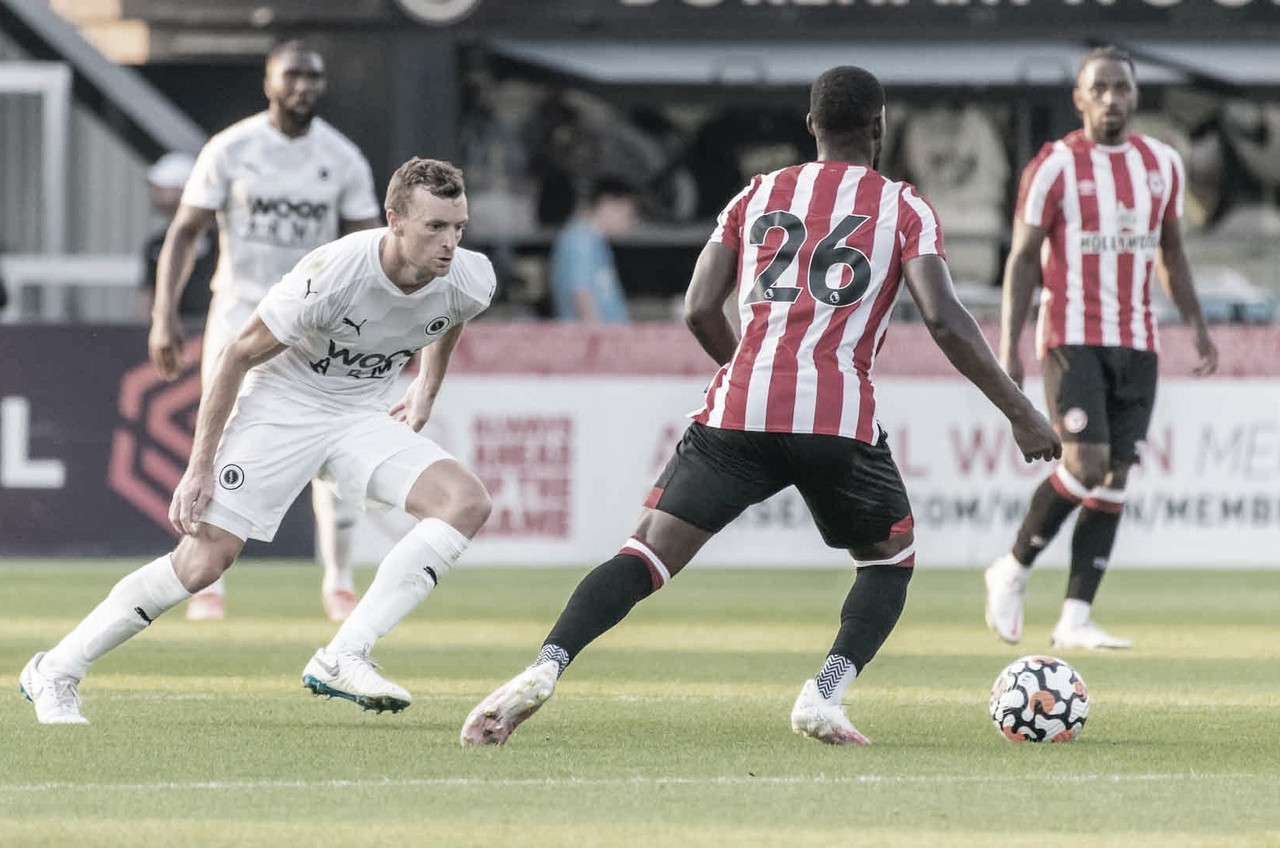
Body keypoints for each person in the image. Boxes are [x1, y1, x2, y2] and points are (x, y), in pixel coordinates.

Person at [460, 66, 1060, 748]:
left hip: (738, 409)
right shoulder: (904, 207)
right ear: (880, 126)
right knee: (888, 561)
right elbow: (948, 320)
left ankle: (546, 665)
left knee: (646, 552)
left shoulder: (759, 193)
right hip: (837, 419)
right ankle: (823, 694)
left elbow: (696, 307)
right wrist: (1019, 411)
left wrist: (746, 371)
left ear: (810, 126)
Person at [19, 157, 495, 725]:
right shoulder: (334, 275)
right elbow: (237, 354)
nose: (450, 243)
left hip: (360, 414)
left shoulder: (471, 275)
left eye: (459, 227)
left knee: (465, 502)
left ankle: (345, 654)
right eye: (435, 227)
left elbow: (450, 315)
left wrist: (426, 388)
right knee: (203, 562)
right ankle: (57, 669)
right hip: (283, 407)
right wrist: (198, 468)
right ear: (394, 220)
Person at [984, 46, 1219, 651]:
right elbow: (1020, 259)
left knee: (1115, 479)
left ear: (1136, 96)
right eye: (1102, 88)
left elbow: (1171, 253)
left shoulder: (1163, 164)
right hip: (1071, 335)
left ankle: (1075, 618)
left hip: (1138, 341)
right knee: (1084, 464)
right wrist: (1008, 345)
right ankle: (1011, 569)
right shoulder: (1054, 166)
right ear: (1080, 98)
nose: (1113, 98)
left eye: (1123, 87)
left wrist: (1195, 324)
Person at [149, 40, 383, 622]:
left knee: (334, 439)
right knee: (218, 437)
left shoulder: (343, 157)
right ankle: (205, 583)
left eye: (314, 77)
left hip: (315, 319)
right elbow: (184, 232)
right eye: (294, 75)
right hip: (239, 311)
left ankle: (338, 578)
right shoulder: (231, 148)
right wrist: (163, 317)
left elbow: (370, 250)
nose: (305, 86)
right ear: (269, 81)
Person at [138, 152, 216, 321]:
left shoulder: (221, 242)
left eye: (163, 187)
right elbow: (148, 294)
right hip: (173, 333)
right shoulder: (156, 244)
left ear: (183, 190)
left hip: (211, 333)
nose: (155, 192)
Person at [548, 176, 637, 322]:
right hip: (594, 340)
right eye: (627, 213)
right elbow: (580, 293)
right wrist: (594, 337)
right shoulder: (580, 240)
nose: (630, 222)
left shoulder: (596, 242)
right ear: (606, 204)